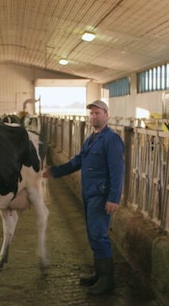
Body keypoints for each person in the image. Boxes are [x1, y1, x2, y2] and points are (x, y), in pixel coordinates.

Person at [43, 100, 125, 295]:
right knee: (92, 235)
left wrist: (114, 198)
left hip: (101, 194)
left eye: (97, 113)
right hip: (89, 193)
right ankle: (99, 273)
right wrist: (54, 171)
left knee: (99, 235)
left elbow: (117, 170)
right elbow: (78, 161)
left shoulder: (111, 139)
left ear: (106, 115)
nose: (94, 117)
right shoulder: (92, 138)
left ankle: (107, 280)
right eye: (91, 114)